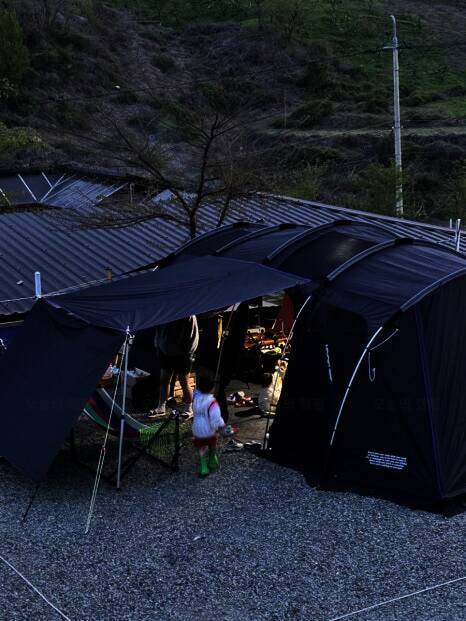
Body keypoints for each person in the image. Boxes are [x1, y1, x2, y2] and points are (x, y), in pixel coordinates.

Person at [151, 315, 199, 417]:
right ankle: (161, 407)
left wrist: (187, 353)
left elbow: (193, 336)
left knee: (184, 381)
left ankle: (189, 409)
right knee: (164, 380)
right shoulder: (165, 311)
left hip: (182, 354)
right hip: (165, 351)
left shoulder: (189, 315)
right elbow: (158, 329)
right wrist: (158, 345)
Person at [192, 375, 225, 476]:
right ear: (212, 388)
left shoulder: (196, 398)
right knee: (212, 443)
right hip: (209, 429)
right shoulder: (212, 402)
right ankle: (212, 460)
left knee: (201, 446)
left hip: (197, 427)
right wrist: (221, 425)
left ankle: (203, 467)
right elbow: (216, 418)